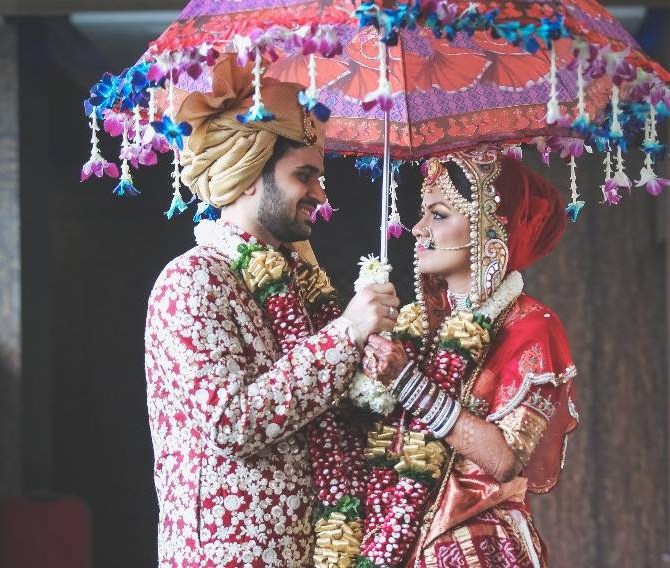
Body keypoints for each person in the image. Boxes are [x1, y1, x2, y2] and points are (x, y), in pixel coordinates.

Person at [144, 55, 402, 567]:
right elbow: (230, 423)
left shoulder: (299, 281)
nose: (320, 194)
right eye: (304, 176)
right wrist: (345, 333)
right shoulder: (193, 280)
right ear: (246, 176)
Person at [362, 147, 579, 567]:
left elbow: (504, 461)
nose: (418, 228)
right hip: (399, 540)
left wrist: (407, 382)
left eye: (439, 215)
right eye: (423, 213)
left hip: (478, 547)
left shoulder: (533, 327)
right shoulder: (415, 324)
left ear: (489, 230)